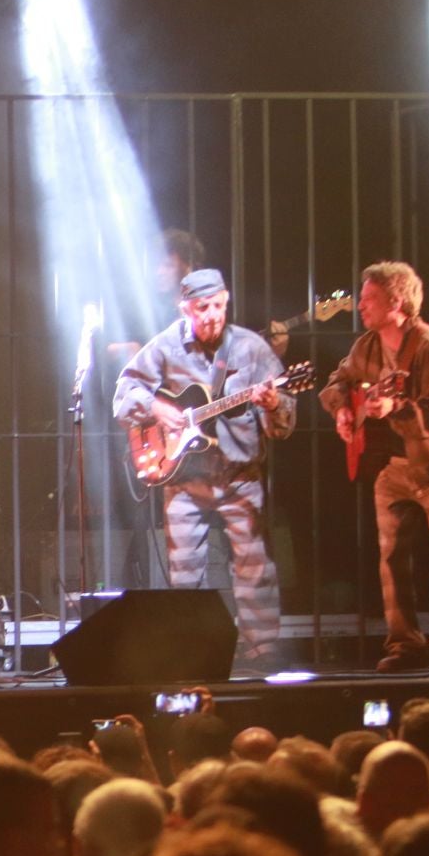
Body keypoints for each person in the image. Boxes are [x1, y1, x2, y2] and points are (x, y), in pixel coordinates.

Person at [113, 267, 295, 668]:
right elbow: (124, 394)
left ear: (226, 301)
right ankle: (189, 650)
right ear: (185, 308)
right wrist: (158, 407)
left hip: (240, 473)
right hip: (184, 478)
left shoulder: (252, 348)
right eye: (202, 308)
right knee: (184, 572)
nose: (211, 315)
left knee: (254, 564)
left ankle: (262, 651)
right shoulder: (165, 346)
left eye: (217, 305)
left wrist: (273, 404)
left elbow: (284, 423)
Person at [319, 260, 429, 672]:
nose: (361, 307)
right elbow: (336, 383)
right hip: (391, 467)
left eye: (370, 298)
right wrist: (342, 410)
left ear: (397, 301)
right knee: (390, 558)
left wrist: (396, 407)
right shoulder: (367, 347)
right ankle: (404, 644)